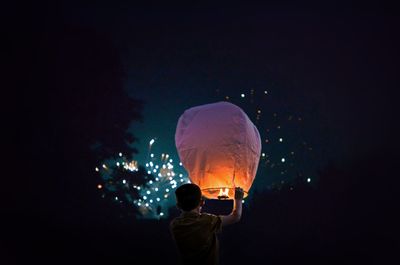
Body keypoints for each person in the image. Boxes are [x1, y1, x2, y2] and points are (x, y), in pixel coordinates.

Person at [170, 184, 244, 265]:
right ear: (202, 203)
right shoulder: (208, 221)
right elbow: (236, 216)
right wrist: (238, 198)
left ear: (178, 205)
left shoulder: (175, 225)